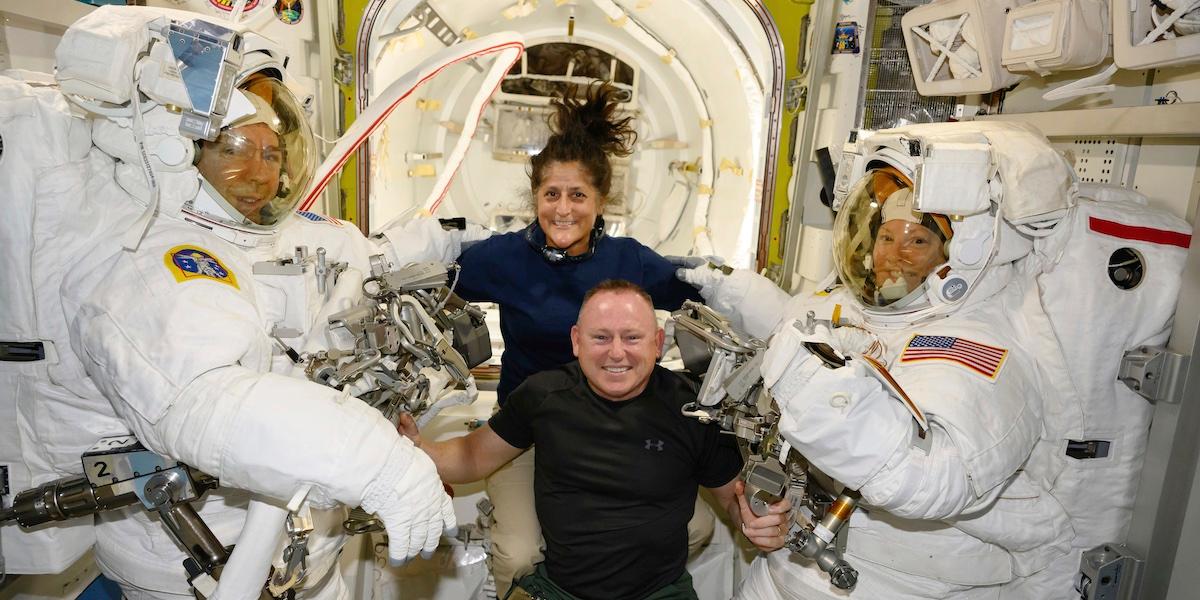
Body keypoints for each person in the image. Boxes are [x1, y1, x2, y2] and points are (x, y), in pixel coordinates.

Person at [0, 7, 480, 597]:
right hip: (200, 567)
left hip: (301, 554)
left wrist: (466, 232)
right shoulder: (150, 259)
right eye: (234, 148)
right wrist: (379, 464)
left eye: (272, 154)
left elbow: (369, 253)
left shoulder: (271, 233)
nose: (257, 173)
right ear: (181, 152)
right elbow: (210, 401)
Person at [678, 123, 1096, 598]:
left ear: (958, 255)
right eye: (886, 236)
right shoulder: (849, 304)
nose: (895, 253)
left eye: (918, 240)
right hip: (795, 558)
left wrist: (819, 397)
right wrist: (729, 288)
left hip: (895, 580)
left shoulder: (978, 343)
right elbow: (789, 326)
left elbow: (932, 477)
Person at [448, 82, 708, 593]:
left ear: (600, 200)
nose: (562, 209)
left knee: (694, 527)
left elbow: (701, 290)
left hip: (618, 428)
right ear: (535, 197)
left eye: (577, 195)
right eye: (551, 194)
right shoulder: (502, 258)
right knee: (519, 552)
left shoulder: (629, 261)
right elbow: (432, 274)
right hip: (527, 430)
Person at [400, 280, 790, 599]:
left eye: (632, 338)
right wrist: (411, 449)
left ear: (657, 342)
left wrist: (757, 523)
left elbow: (734, 501)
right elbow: (471, 456)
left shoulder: (694, 410)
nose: (616, 353)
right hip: (560, 591)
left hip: (659, 593)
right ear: (576, 341)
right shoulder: (544, 396)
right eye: (601, 337)